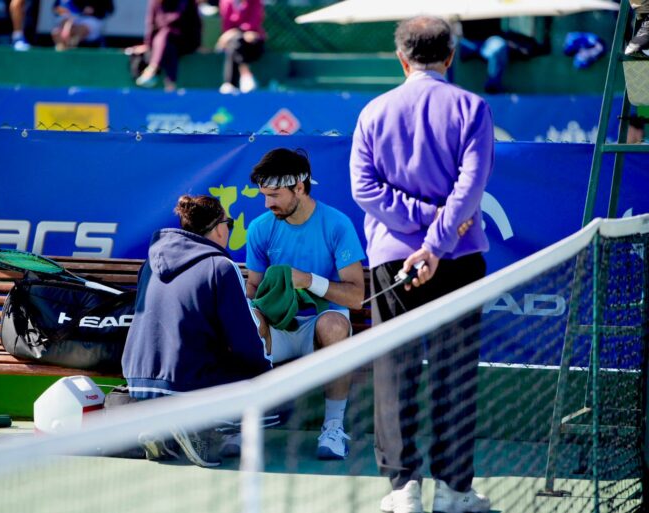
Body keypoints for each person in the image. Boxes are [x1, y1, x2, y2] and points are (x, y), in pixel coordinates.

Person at [350, 16, 493, 513]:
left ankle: (402, 488)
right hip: (459, 256)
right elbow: (470, 190)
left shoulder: (373, 111)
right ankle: (453, 491)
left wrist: (422, 235)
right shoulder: (473, 107)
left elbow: (364, 189)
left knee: (395, 370)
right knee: (456, 373)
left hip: (393, 261)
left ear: (401, 59)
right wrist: (436, 238)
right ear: (450, 57)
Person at [121, 195, 272, 464]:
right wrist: (267, 370)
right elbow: (245, 343)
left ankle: (163, 428)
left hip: (139, 382)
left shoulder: (149, 264)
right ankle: (196, 426)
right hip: (185, 383)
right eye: (229, 223)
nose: (229, 229)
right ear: (218, 229)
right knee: (280, 400)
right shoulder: (222, 267)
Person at [246, 148, 366, 460]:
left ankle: (334, 427)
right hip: (277, 329)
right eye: (264, 196)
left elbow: (356, 297)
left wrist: (309, 280)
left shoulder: (337, 224)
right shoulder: (260, 227)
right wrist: (252, 313)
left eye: (274, 195)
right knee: (243, 321)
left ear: (299, 187)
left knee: (334, 324)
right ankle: (240, 424)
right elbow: (253, 288)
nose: (267, 204)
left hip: (320, 328)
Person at [130, 0, 202, 92]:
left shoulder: (187, 2)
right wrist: (147, 44)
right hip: (163, 44)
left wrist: (199, 45)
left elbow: (194, 24)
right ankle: (170, 83)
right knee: (167, 43)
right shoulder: (154, 2)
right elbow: (151, 23)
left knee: (166, 34)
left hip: (185, 42)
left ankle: (152, 69)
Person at [216, 0, 265, 94]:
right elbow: (227, 24)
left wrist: (242, 32)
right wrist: (236, 33)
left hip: (253, 42)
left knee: (235, 43)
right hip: (234, 40)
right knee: (236, 41)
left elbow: (254, 21)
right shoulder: (226, 2)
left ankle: (230, 83)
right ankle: (245, 73)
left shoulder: (255, 2)